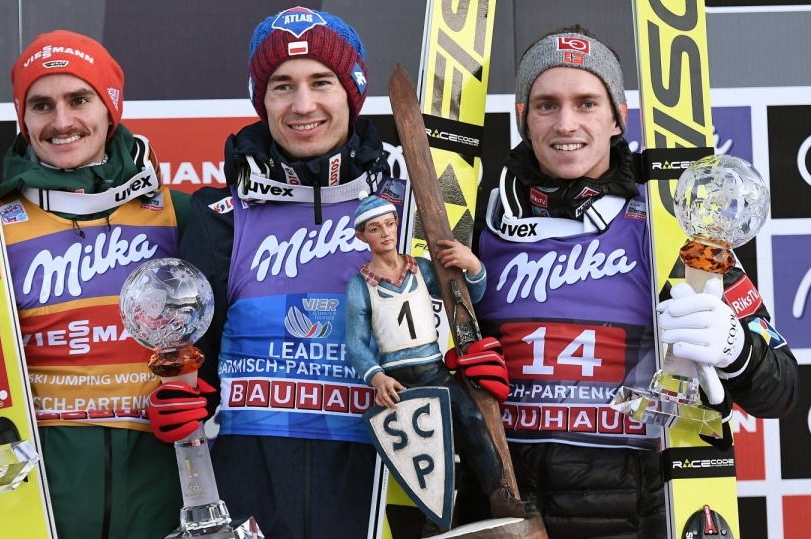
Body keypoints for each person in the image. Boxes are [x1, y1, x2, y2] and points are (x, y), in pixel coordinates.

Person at [466, 25, 800, 538]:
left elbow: (783, 391)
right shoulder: (479, 219)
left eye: (587, 103)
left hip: (630, 510)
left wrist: (737, 351)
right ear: (523, 119)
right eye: (546, 105)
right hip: (504, 503)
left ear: (618, 118)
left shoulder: (671, 226)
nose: (566, 123)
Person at [0, 30, 192, 539]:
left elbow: (232, 350)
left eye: (79, 99)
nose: (61, 122)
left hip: (162, 508)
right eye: (41, 105)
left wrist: (200, 394)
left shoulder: (178, 214)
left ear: (110, 107)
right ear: (24, 118)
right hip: (30, 512)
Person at [152, 6, 406, 538]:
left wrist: (465, 373)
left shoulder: (405, 214)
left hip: (379, 498)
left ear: (352, 94)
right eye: (281, 86)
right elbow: (190, 370)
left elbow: (441, 360)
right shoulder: (222, 217)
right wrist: (179, 398)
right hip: (250, 507)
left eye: (322, 82)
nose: (303, 104)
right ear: (261, 100)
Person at [344, 194, 535, 536]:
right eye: (375, 228)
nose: (386, 234)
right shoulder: (361, 286)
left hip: (434, 368)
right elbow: (356, 343)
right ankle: (438, 516)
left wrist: (473, 266)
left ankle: (498, 494)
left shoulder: (421, 269)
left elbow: (466, 297)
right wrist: (376, 377)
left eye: (389, 224)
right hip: (399, 380)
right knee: (423, 448)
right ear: (362, 236)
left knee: (472, 419)